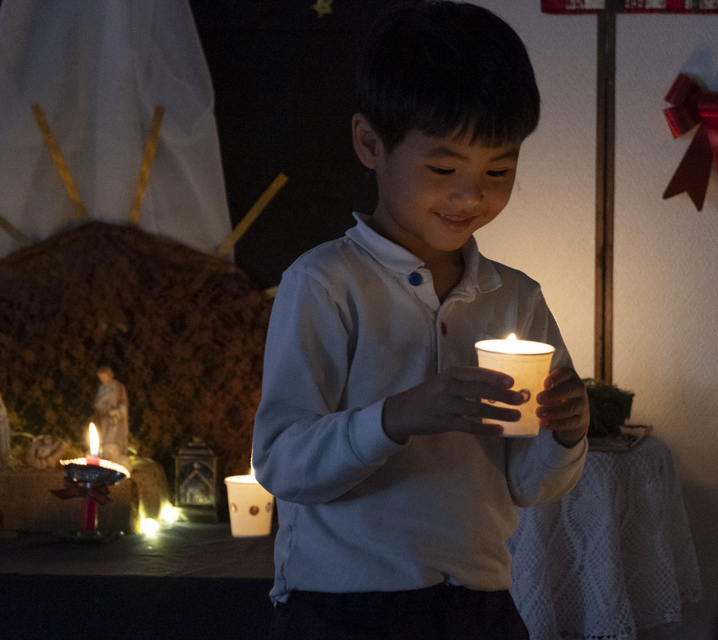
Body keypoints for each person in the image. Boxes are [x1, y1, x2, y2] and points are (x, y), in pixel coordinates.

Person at [252, 3, 590, 639]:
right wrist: (398, 416)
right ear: (369, 143)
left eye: (499, 170)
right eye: (443, 169)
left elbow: (528, 486)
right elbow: (282, 462)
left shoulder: (514, 298)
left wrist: (564, 435)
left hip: (479, 607)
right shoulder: (325, 284)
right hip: (343, 609)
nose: (471, 196)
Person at [93, 366, 130, 469]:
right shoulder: (102, 388)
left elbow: (118, 401)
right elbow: (98, 403)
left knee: (115, 432)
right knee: (104, 433)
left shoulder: (117, 386)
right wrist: (103, 401)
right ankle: (106, 451)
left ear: (110, 376)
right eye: (101, 378)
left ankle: (117, 451)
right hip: (105, 415)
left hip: (116, 415)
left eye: (104, 377)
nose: (103, 380)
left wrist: (114, 408)